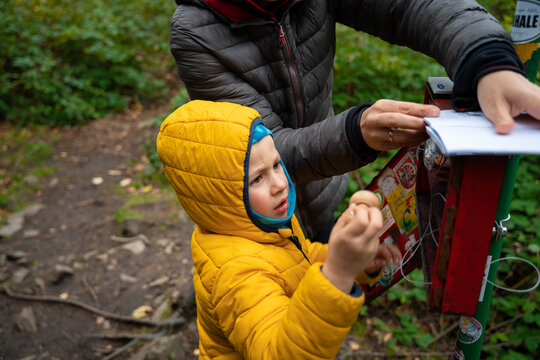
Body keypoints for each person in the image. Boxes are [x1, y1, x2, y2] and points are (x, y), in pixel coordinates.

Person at [169, 0, 540, 242]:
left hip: (325, 198)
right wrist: (355, 132)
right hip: (258, 222)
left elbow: (414, 7)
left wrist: (486, 59)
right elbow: (260, 153)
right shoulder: (195, 32)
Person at [156, 100, 402, 359]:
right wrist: (337, 274)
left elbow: (300, 259)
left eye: (275, 164)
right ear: (216, 196)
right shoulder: (235, 273)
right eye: (257, 178)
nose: (279, 184)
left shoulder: (262, 222)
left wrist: (355, 264)